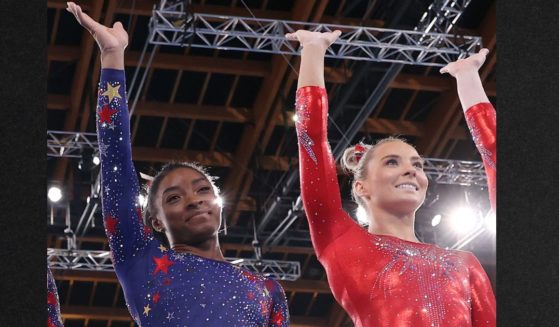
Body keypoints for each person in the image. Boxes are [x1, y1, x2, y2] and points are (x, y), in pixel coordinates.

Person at [65, 3, 289, 326]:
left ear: (219, 205)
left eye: (202, 189)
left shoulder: (267, 290)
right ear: (155, 221)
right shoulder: (141, 260)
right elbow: (116, 158)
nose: (194, 198)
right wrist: (112, 58)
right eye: (174, 197)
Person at [287, 29, 495, 327]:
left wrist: (469, 79)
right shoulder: (342, 241)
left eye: (418, 165)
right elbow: (311, 139)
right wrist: (313, 49)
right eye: (392, 162)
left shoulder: (465, 264)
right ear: (362, 187)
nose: (412, 170)